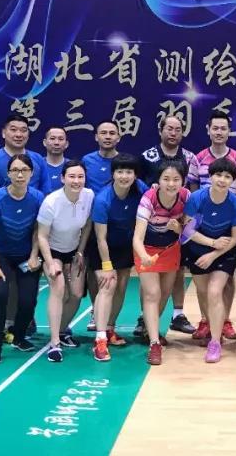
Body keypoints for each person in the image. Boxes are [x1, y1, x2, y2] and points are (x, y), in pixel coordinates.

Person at [0, 115, 49, 349]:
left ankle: (12, 327)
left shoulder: (37, 160)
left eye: (23, 130)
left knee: (21, 286)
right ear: (3, 132)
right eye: (13, 129)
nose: (18, 134)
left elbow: (45, 201)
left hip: (27, 239)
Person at [189, 110, 236, 343]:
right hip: (202, 228)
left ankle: (225, 320)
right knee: (203, 284)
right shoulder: (198, 158)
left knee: (226, 281)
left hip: (227, 227)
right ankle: (206, 320)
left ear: (229, 131)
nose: (219, 132)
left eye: (224, 128)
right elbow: (193, 189)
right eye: (215, 128)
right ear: (208, 129)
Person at [137, 115, 198, 337]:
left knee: (178, 271)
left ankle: (177, 315)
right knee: (150, 278)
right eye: (169, 128)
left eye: (177, 129)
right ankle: (144, 318)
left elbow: (193, 190)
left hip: (178, 223)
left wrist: (184, 223)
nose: (173, 133)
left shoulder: (190, 157)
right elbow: (139, 183)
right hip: (151, 221)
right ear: (160, 130)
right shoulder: (148, 156)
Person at [0, 154, 44, 364]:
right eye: (15, 170)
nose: (19, 175)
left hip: (26, 255)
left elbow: (38, 231)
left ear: (31, 173)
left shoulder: (37, 198)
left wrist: (34, 256)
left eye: (24, 170)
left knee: (28, 300)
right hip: (2, 256)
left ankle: (19, 337)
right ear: (8, 174)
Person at [183, 158, 236, 362]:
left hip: (223, 251)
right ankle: (210, 324)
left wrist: (214, 253)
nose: (222, 180)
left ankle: (215, 342)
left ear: (232, 181)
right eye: (218, 175)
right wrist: (211, 243)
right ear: (210, 176)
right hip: (198, 248)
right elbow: (187, 230)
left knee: (214, 291)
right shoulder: (197, 198)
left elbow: (235, 238)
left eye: (227, 177)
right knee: (203, 292)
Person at [87, 154, 148, 361]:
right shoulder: (103, 199)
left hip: (125, 246)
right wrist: (107, 266)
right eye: (120, 171)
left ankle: (110, 328)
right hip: (102, 248)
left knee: (121, 287)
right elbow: (100, 238)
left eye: (129, 172)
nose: (124, 176)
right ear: (113, 174)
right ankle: (100, 339)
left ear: (135, 175)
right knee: (108, 285)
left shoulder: (140, 189)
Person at [36, 160, 94, 363]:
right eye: (71, 176)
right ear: (62, 178)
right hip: (52, 251)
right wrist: (50, 262)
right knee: (59, 289)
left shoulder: (89, 196)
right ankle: (54, 344)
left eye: (80, 177)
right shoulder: (51, 202)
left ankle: (61, 330)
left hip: (74, 251)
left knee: (76, 294)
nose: (76, 181)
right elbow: (42, 236)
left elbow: (87, 225)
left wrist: (80, 251)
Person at [133, 163, 191, 365]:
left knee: (165, 293)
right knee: (152, 293)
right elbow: (137, 238)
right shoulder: (148, 199)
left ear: (183, 181)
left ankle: (149, 330)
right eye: (166, 179)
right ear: (158, 181)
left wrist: (179, 229)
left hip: (170, 248)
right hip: (146, 249)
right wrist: (144, 256)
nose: (171, 184)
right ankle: (154, 343)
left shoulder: (186, 197)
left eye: (176, 179)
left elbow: (191, 229)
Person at [82, 120, 123, 194]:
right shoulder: (87, 160)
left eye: (112, 133)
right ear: (96, 137)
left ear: (118, 138)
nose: (108, 137)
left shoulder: (125, 162)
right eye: (103, 133)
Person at [41, 126, 70, 194]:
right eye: (52, 138)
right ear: (44, 142)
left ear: (66, 144)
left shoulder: (73, 167)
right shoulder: (37, 165)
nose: (56, 143)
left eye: (61, 139)